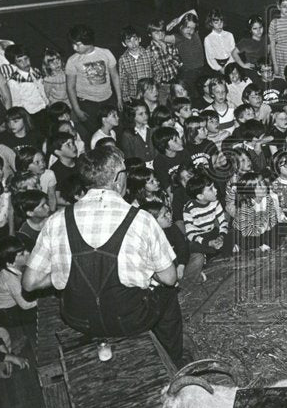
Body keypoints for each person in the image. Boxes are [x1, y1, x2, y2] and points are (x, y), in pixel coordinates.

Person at [22, 145, 193, 367]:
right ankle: (175, 362)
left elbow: (29, 283)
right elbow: (170, 277)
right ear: (118, 178)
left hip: (78, 318)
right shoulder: (141, 220)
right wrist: (146, 271)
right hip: (130, 319)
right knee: (169, 294)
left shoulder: (57, 220)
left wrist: (64, 274)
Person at [65, 24, 123, 139]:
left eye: (78, 44)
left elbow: (115, 76)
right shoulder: (72, 60)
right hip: (88, 103)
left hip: (108, 99)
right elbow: (70, 87)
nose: (74, 48)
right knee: (95, 134)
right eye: (73, 44)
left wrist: (119, 98)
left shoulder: (106, 53)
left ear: (87, 41)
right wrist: (77, 110)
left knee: (113, 131)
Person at [117, 25, 157, 102]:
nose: (133, 44)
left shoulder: (149, 53)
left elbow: (158, 70)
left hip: (150, 94)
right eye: (129, 41)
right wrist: (125, 96)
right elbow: (123, 79)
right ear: (124, 44)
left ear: (139, 39)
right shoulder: (123, 59)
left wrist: (153, 87)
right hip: (134, 96)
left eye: (135, 39)